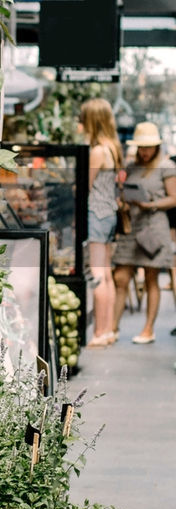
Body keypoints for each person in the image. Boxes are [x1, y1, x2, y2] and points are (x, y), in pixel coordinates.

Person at [112, 121, 176, 344]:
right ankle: (112, 328)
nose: (144, 151)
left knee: (151, 278)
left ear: (157, 146)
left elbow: (174, 198)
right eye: (141, 147)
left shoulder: (166, 166)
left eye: (148, 147)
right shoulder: (131, 167)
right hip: (132, 227)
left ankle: (148, 329)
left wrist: (152, 204)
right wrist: (125, 202)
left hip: (154, 227)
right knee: (120, 276)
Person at [80, 99, 124, 347]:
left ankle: (99, 332)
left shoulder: (97, 151)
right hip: (109, 213)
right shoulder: (112, 148)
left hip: (96, 213)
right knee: (106, 273)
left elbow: (85, 184)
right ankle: (107, 330)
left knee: (98, 273)